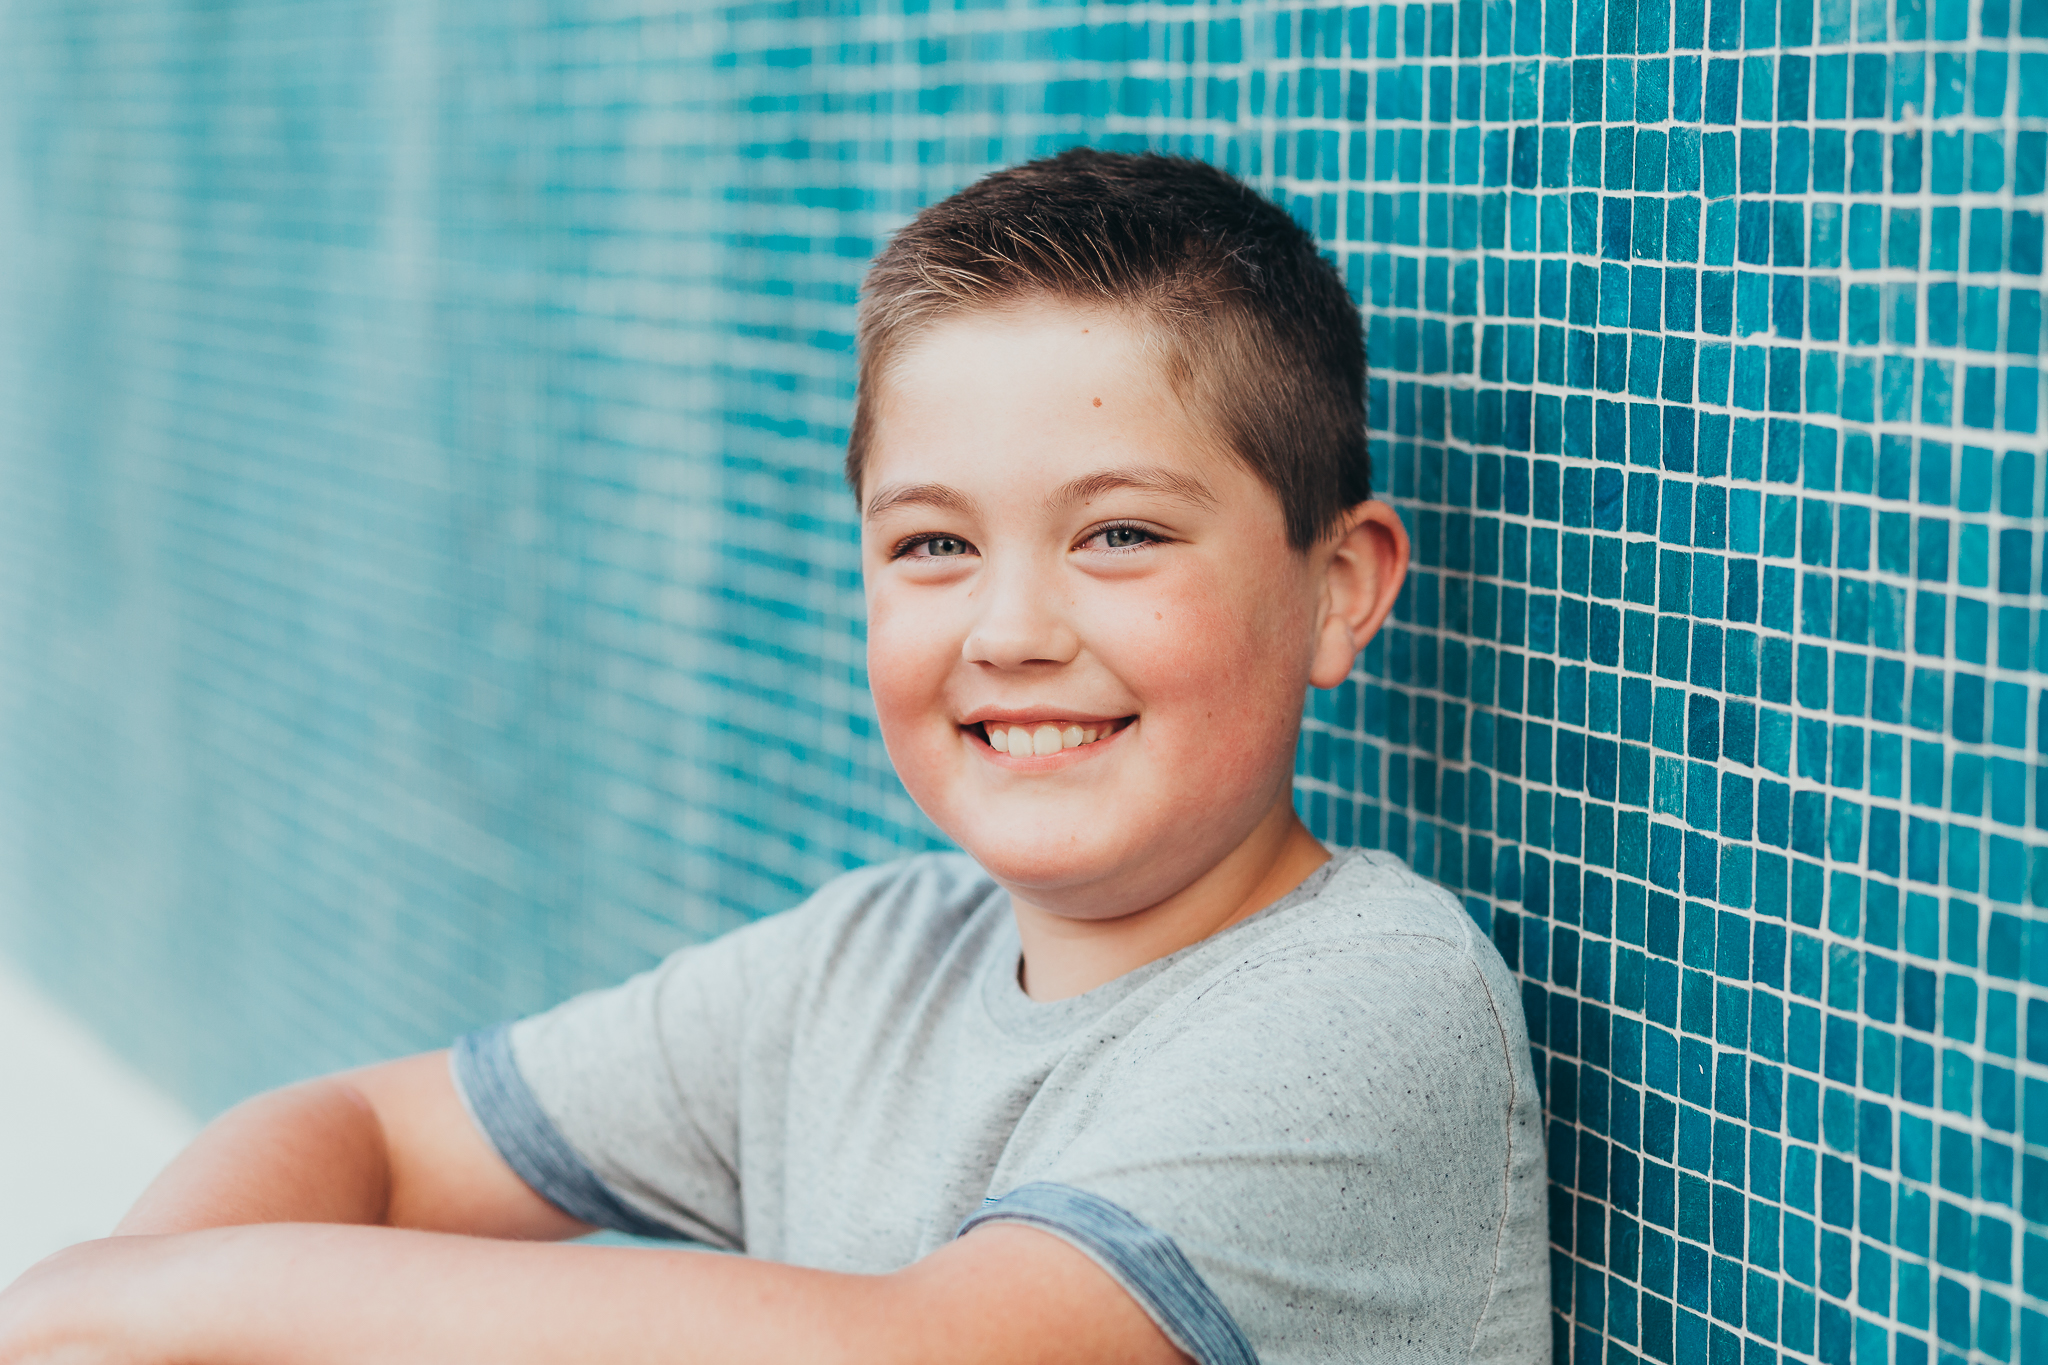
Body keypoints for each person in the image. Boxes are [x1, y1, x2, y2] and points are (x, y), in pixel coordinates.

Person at [0, 148, 1547, 1364]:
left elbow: (939, 1354)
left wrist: (150, 1305)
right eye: (934, 541)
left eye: (1120, 533)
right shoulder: (865, 965)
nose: (1009, 627)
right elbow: (363, 1136)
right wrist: (136, 1308)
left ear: (1338, 588)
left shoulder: (1370, 997)